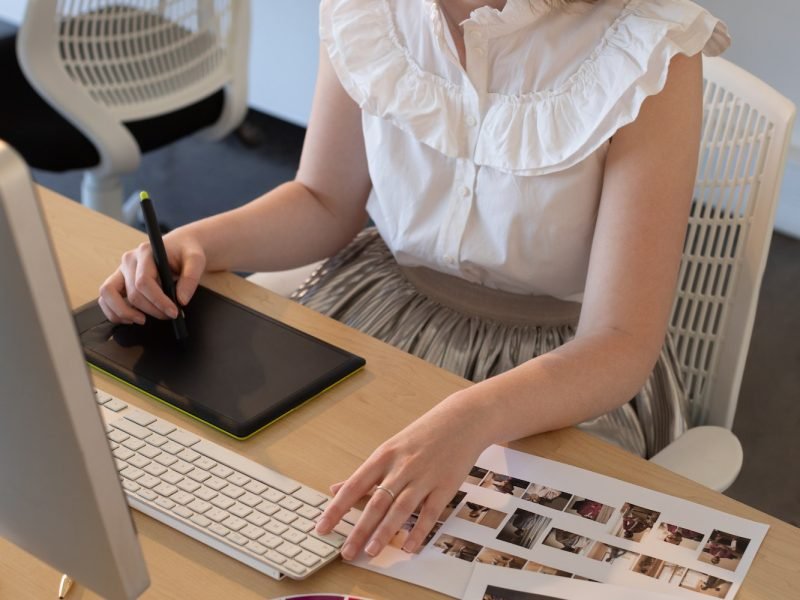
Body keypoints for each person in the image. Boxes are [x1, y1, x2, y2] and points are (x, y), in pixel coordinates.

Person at [98, 0, 730, 562]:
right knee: (264, 514)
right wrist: (194, 243)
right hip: (380, 309)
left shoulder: (651, 42)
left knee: (454, 561)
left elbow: (621, 341)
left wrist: (470, 417)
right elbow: (323, 200)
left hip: (560, 370)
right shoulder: (369, 9)